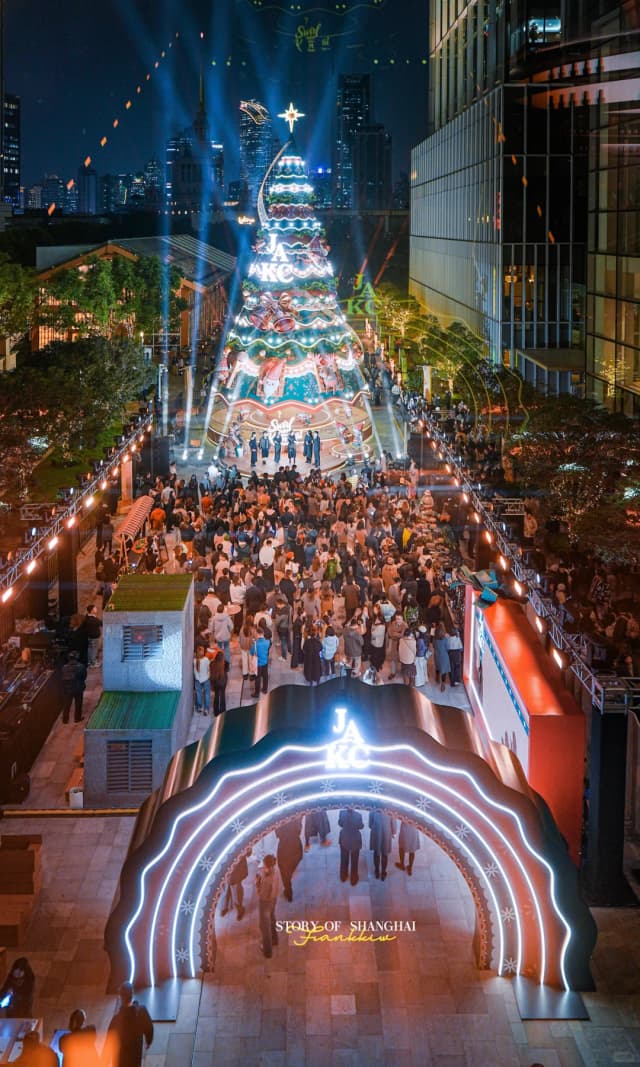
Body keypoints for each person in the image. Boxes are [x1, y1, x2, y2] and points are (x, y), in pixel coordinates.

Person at [103, 981, 153, 1067]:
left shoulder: (116, 1020)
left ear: (120, 997)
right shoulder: (141, 1012)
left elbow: (109, 1041)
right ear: (132, 994)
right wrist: (149, 1041)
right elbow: (149, 1027)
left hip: (121, 1059)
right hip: (135, 1054)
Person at [255, 853, 281, 958]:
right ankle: (275, 939)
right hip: (273, 900)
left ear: (269, 867)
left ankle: (267, 951)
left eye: (264, 866)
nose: (263, 868)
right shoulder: (276, 871)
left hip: (265, 903)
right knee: (272, 919)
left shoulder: (267, 881)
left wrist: (257, 883)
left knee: (264, 927)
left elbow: (261, 894)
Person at [276, 817, 304, 902]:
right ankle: (288, 886)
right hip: (296, 847)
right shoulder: (296, 816)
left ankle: (288, 891)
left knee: (284, 872)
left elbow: (277, 834)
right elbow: (299, 830)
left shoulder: (280, 819)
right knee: (290, 870)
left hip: (284, 849)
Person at [338, 808, 364, 886]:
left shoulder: (341, 813)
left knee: (343, 859)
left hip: (344, 839)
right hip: (355, 841)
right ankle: (353, 879)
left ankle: (343, 876)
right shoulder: (358, 815)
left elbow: (340, 823)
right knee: (354, 861)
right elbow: (361, 826)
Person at [220, 851, 249, 920]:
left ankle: (239, 909)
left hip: (237, 865)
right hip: (227, 862)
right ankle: (226, 907)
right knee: (226, 888)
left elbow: (248, 851)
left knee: (236, 889)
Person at [369, 810, 396, 880]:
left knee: (376, 853)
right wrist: (393, 832)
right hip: (386, 835)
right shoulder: (391, 811)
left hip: (376, 834)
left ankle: (377, 872)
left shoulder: (373, 810)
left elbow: (370, 824)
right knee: (385, 854)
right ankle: (383, 873)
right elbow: (394, 825)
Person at [60, 652, 87, 724]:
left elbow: (62, 677)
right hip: (78, 688)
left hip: (67, 688)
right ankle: (77, 718)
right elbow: (84, 677)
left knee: (66, 704)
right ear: (77, 658)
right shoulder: (81, 666)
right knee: (78, 703)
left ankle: (65, 720)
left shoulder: (64, 667)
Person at [251, 626, 271, 698]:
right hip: (265, 662)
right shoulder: (268, 642)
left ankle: (257, 693)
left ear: (258, 634)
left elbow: (252, 653)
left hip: (258, 663)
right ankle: (265, 689)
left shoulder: (255, 644)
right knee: (265, 676)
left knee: (258, 678)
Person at [210, 646, 228, 716]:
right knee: (223, 695)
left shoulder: (212, 663)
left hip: (215, 682)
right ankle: (223, 710)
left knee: (216, 696)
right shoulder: (225, 663)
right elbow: (226, 670)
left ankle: (216, 711)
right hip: (223, 682)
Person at [433, 621, 451, 692]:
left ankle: (437, 678)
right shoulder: (445, 639)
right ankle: (443, 684)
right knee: (444, 670)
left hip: (437, 655)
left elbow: (434, 646)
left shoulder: (434, 639)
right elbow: (447, 648)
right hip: (444, 656)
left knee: (437, 667)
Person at [193, 645, 211, 714]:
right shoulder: (206, 660)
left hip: (197, 680)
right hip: (206, 679)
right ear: (203, 653)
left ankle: (199, 707)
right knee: (207, 694)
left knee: (198, 694)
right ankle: (206, 709)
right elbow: (208, 669)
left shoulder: (194, 661)